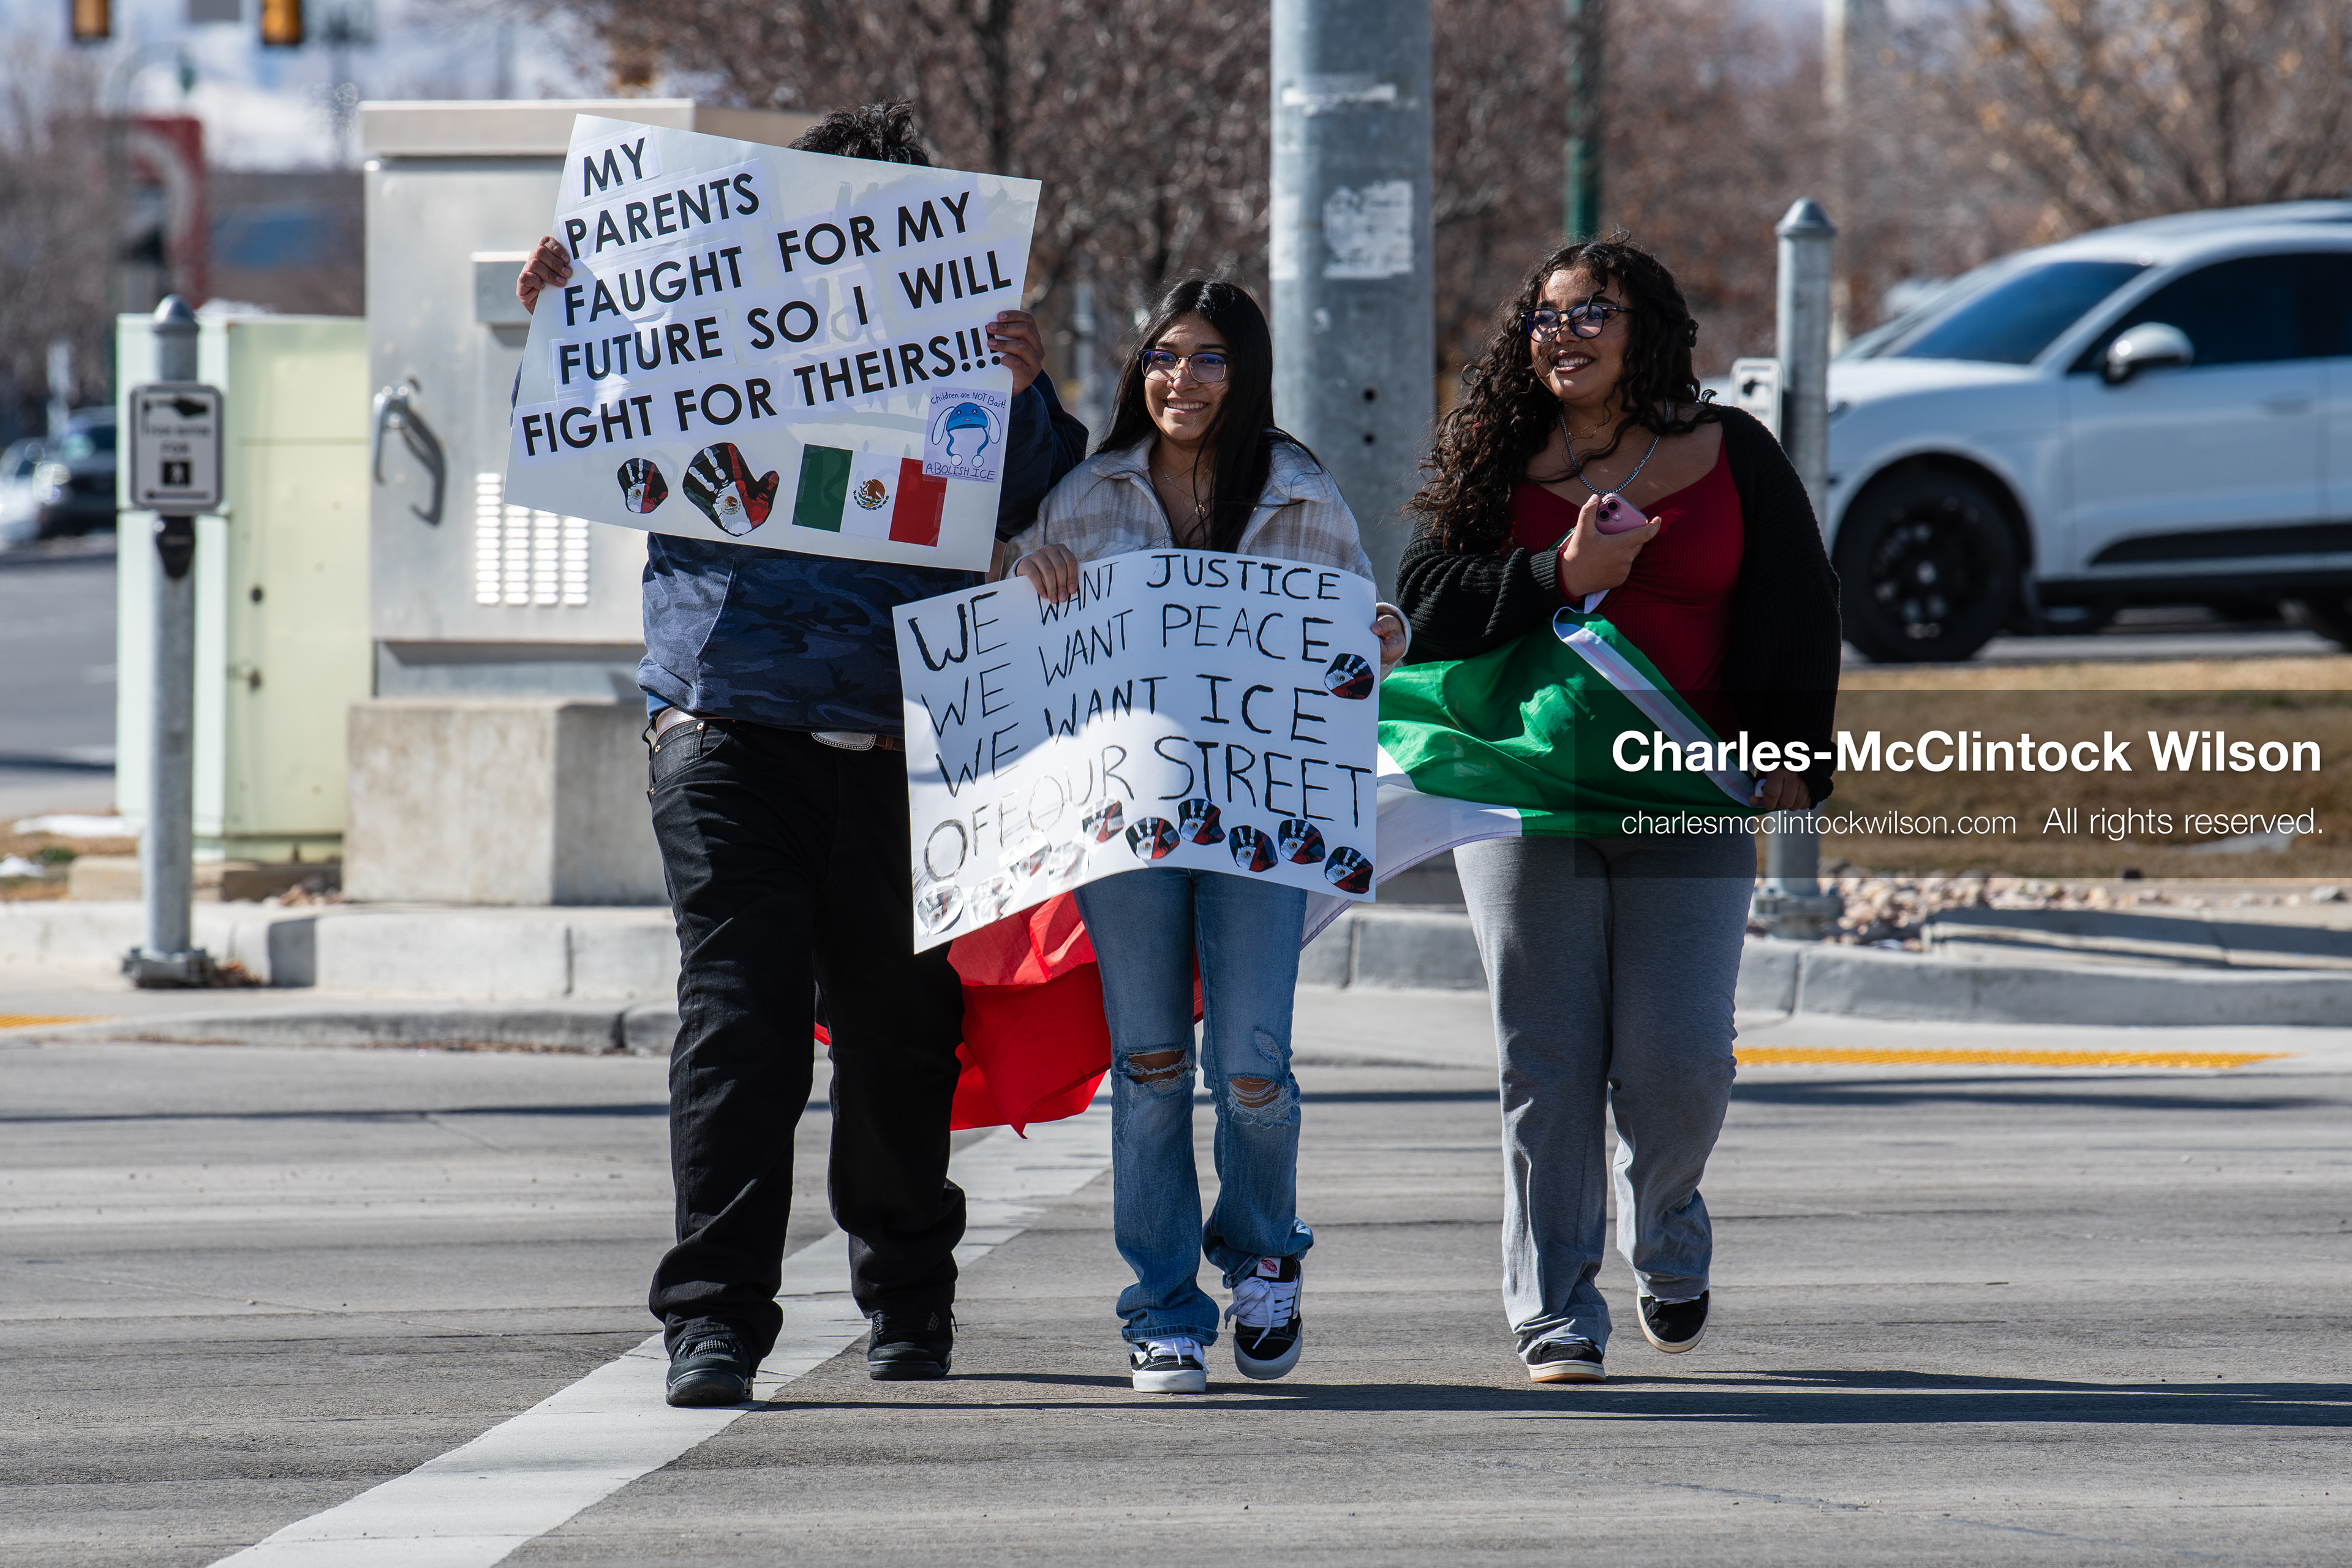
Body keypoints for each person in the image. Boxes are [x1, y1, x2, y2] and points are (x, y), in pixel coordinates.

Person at [515, 102, 1090, 1407]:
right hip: (724, 730)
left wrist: (1025, 390)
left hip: (904, 742)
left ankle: (907, 1296)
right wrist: (565, 320)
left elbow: (1033, 507)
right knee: (743, 1025)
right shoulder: (693, 329)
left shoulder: (966, 351)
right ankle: (713, 1319)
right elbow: (578, 430)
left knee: (900, 1034)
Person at [1396, 238, 1840, 1383]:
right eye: (1547, 317)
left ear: (1648, 328)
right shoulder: (1493, 454)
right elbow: (1426, 606)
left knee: (1678, 1059)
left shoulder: (1729, 450)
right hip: (1521, 787)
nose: (1565, 334)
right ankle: (1554, 1310)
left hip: (1684, 790)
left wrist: (1794, 745)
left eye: (1593, 312)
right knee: (1544, 1059)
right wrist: (1559, 574)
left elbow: (1800, 599)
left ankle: (1670, 1233)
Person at [1007, 279, 1409, 1392]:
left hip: (1264, 822)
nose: (1183, 379)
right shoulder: (1087, 495)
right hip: (1125, 828)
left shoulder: (1298, 488)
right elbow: (1019, 645)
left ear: (1250, 373)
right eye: (1165, 357)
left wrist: (1382, 629)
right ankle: (1163, 1307)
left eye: (1212, 358)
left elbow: (1359, 623)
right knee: (1146, 1066)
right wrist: (1019, 574)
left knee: (1251, 1070)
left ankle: (1266, 1255)